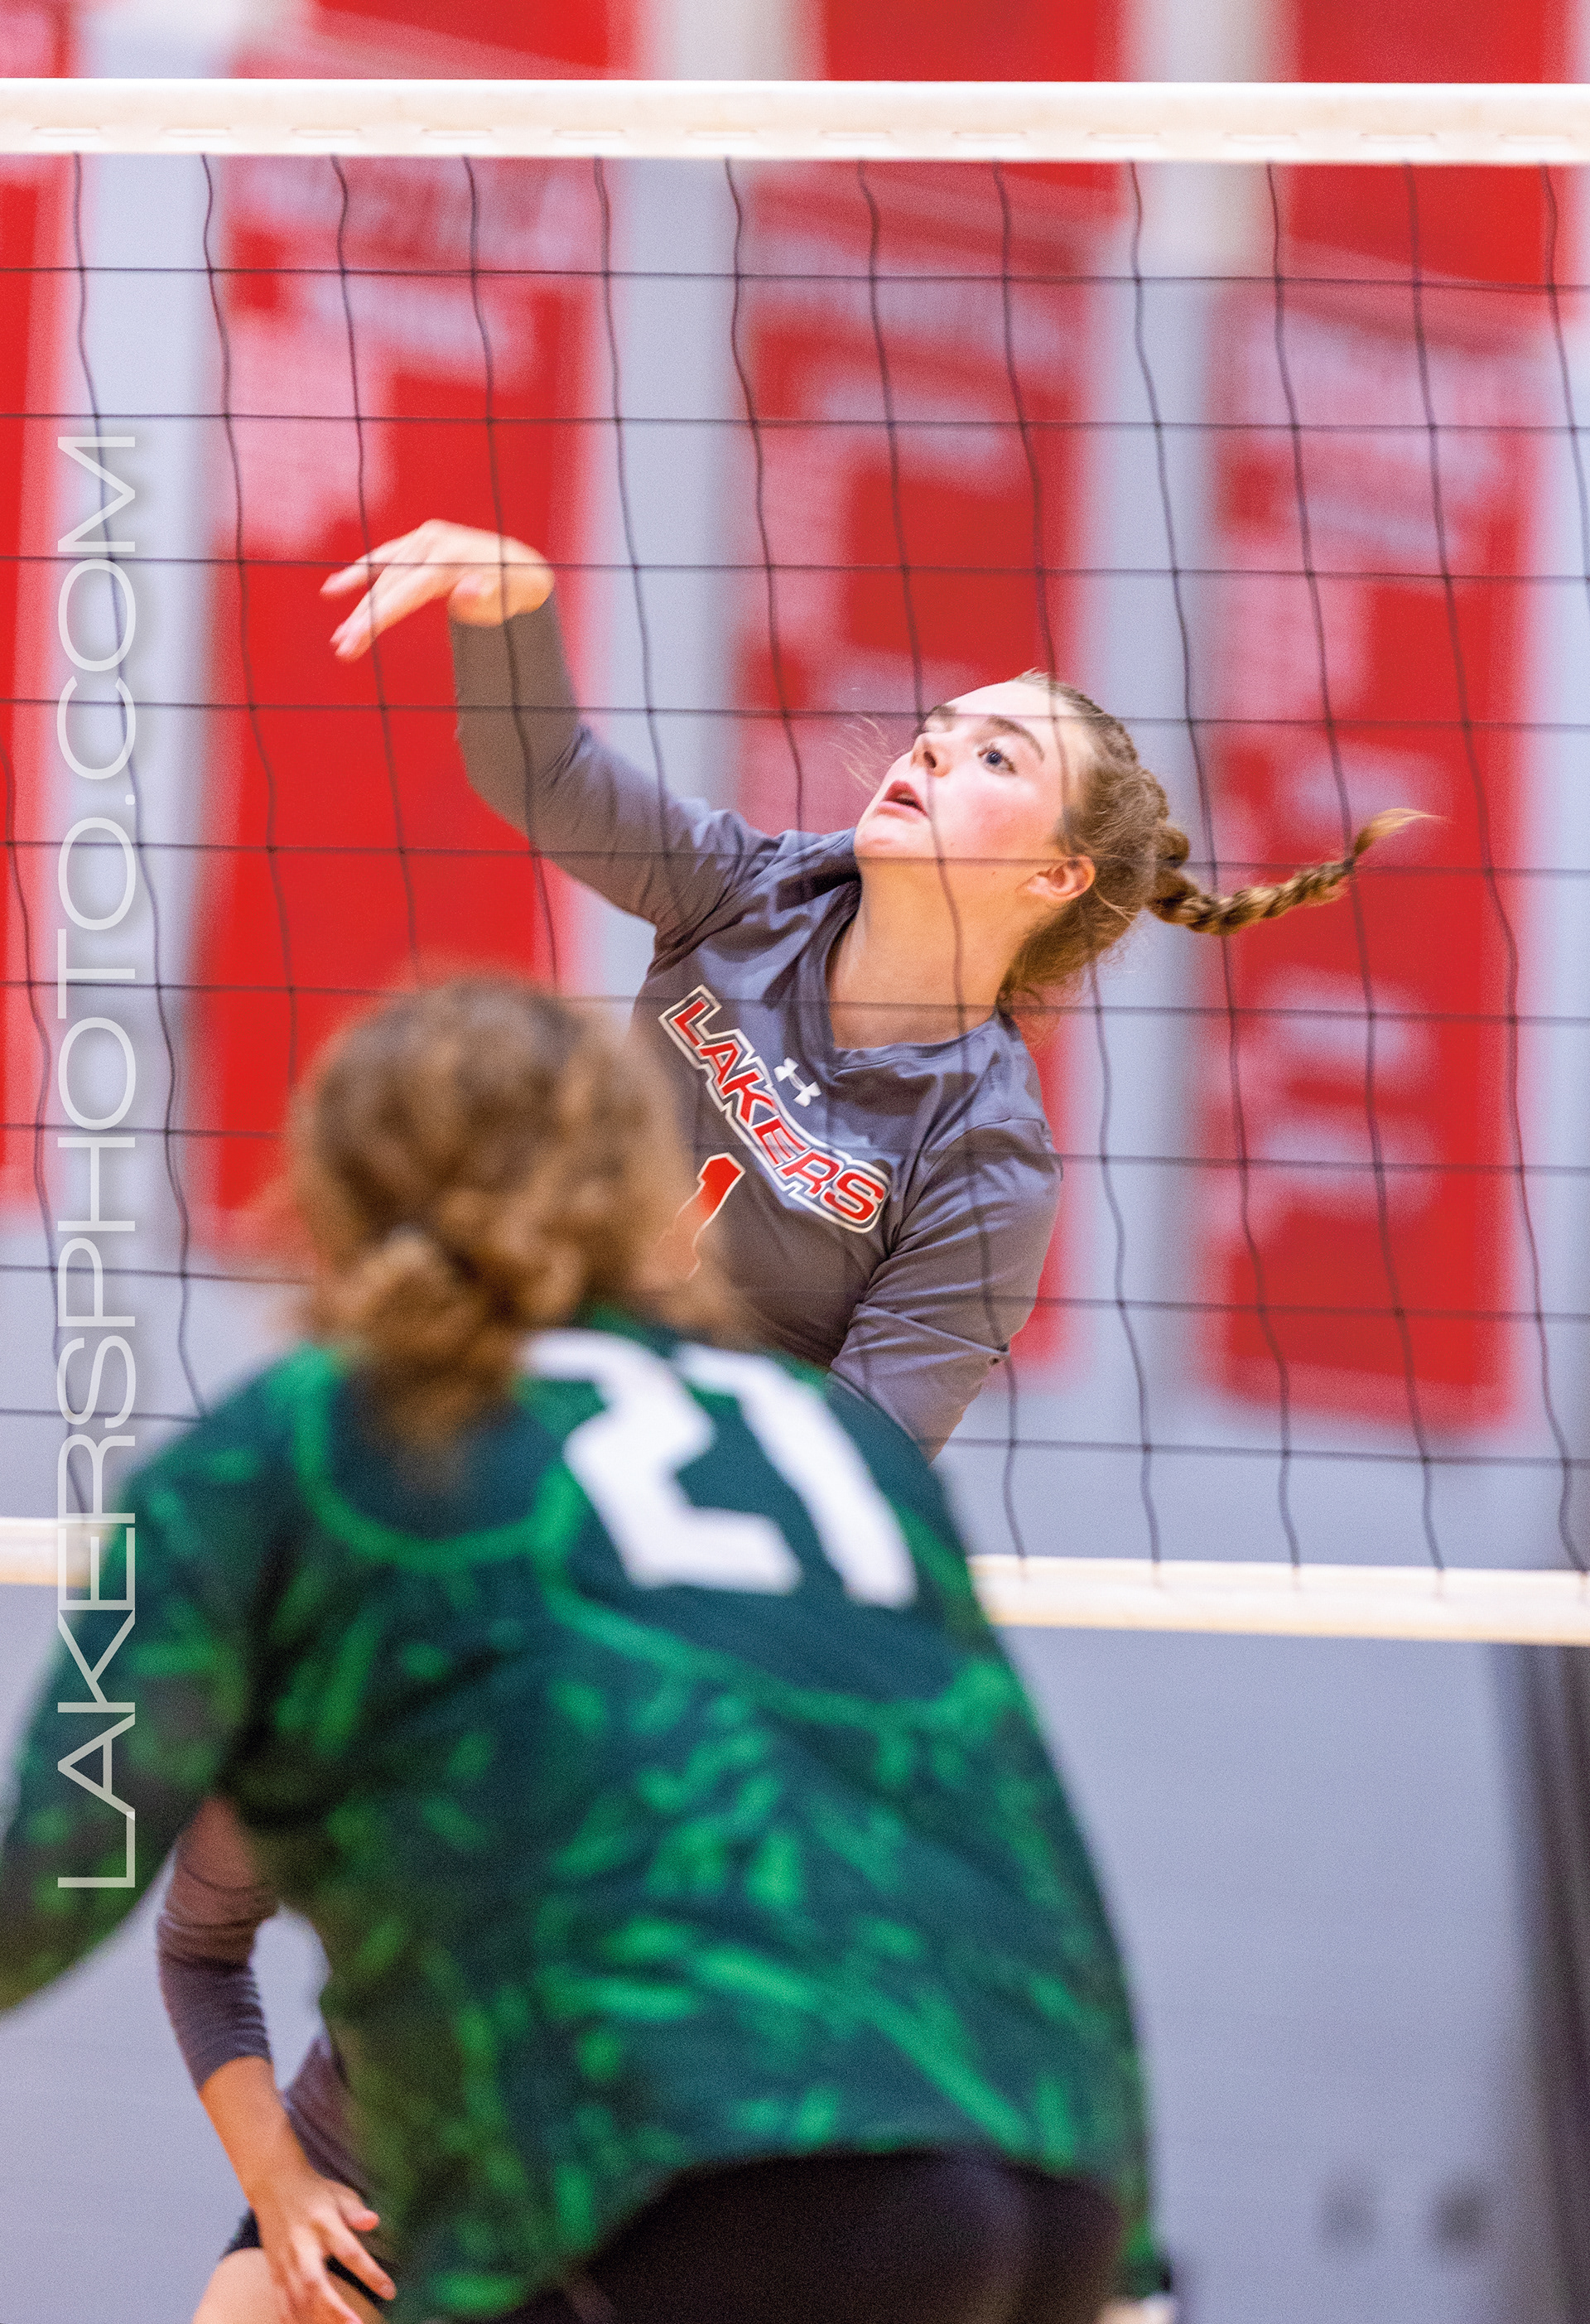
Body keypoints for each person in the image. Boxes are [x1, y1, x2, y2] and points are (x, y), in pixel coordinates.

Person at [0, 978, 1167, 2324]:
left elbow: (49, 1883)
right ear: (639, 1182)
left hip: (694, 2160)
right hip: (1045, 2170)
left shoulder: (306, 1440)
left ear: (341, 1188)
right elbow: (1031, 1849)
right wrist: (1126, 2271)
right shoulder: (830, 1438)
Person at [322, 520, 1409, 1459]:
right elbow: (546, 774)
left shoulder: (986, 1165)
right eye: (935, 735)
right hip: (526, 1385)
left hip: (703, 1489)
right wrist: (509, 612)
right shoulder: (746, 891)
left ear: (1056, 875)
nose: (929, 755)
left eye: (996, 759)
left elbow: (861, 1451)